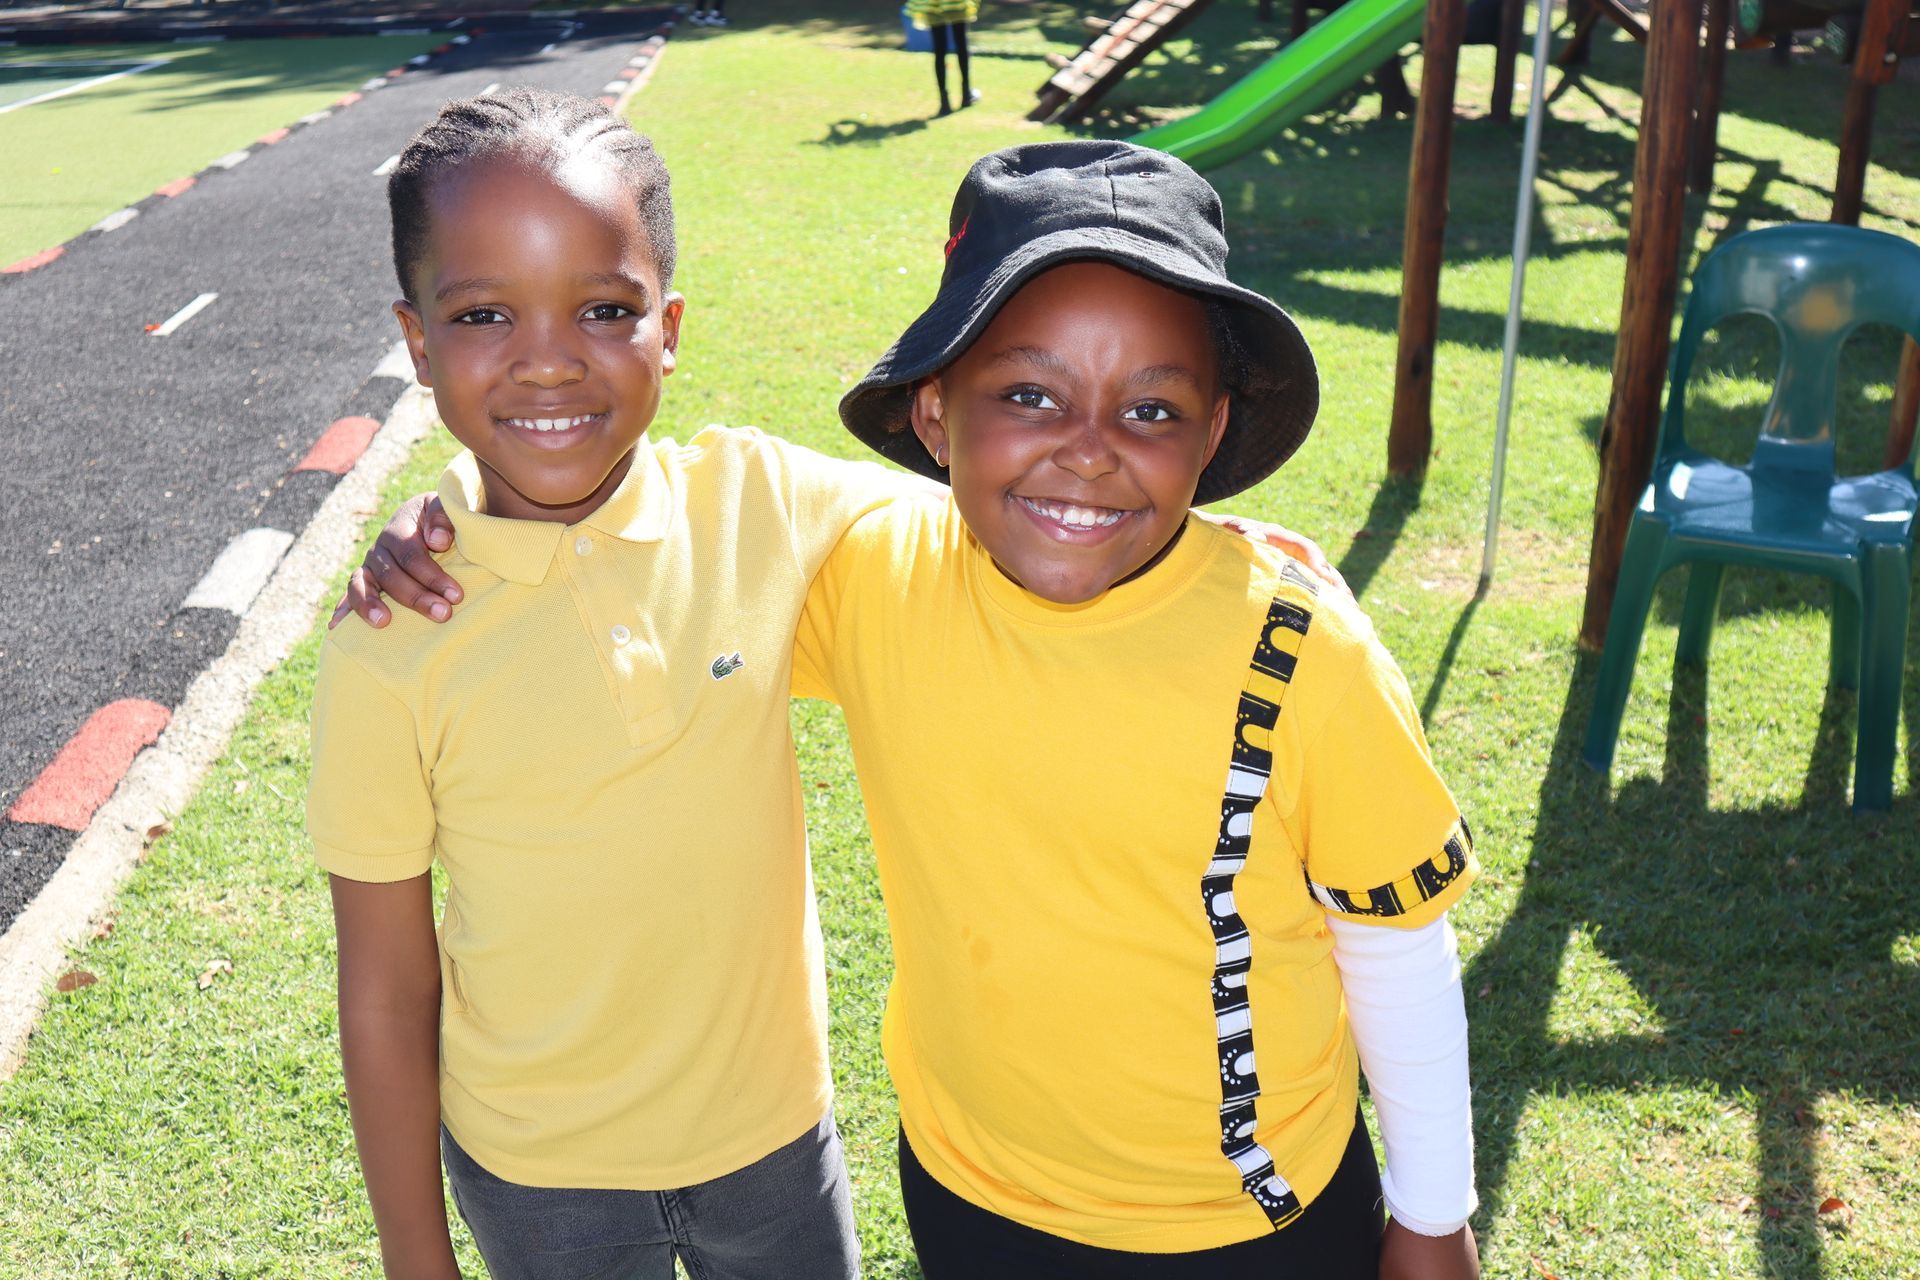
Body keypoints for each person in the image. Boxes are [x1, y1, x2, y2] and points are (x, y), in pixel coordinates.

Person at [345, 140, 1480, 1279]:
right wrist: (445, 513)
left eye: (1150, 409)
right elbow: (612, 538)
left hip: (1244, 1225)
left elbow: (1395, 941)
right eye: (1030, 395)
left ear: (1217, 430)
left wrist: (1433, 1215)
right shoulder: (874, 577)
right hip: (968, 1196)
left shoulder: (1299, 649)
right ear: (935, 416)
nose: (1085, 453)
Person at [307, 87, 912, 1280]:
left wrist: (1221, 545)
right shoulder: (389, 642)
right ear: (417, 341)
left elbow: (1003, 526)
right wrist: (415, 1260)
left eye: (603, 308)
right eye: (484, 313)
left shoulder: (763, 504)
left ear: (669, 327)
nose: (547, 361)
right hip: (538, 1180)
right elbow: (383, 989)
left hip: (777, 1145)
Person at [907, 0, 980, 116]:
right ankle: (966, 94)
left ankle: (944, 102)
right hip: (955, 4)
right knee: (961, 44)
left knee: (940, 50)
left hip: (933, 5)